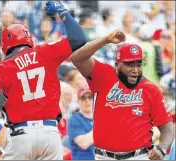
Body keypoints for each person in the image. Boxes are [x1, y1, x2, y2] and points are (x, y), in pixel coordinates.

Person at [0, 0, 86, 160]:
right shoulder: (46, 52)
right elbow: (79, 39)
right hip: (50, 134)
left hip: (21, 135)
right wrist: (63, 13)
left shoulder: (1, 67)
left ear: (6, 44)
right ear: (29, 39)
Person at [70, 30, 174, 160]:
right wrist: (105, 40)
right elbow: (76, 58)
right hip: (104, 157)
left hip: (139, 156)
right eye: (129, 64)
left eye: (138, 64)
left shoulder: (151, 89)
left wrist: (162, 148)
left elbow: (167, 126)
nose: (135, 70)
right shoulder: (103, 75)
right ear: (117, 65)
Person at [67, 86, 94, 160]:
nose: (87, 101)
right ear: (78, 101)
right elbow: (84, 143)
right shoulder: (74, 120)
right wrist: (103, 127)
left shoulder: (100, 118)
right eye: (83, 98)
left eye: (90, 97)